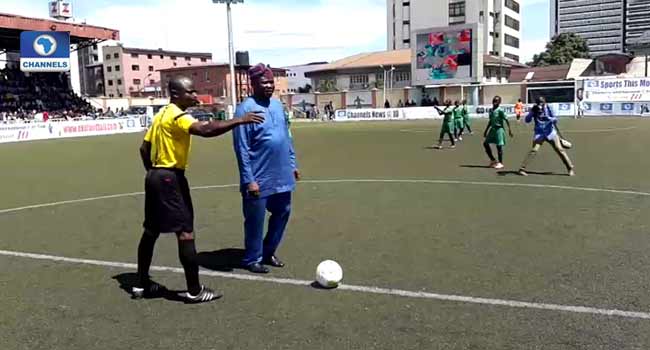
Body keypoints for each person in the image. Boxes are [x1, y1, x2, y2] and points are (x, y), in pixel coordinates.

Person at [135, 76, 264, 303]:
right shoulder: (177, 115)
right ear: (176, 94)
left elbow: (143, 148)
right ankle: (194, 290)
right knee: (185, 232)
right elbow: (205, 129)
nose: (195, 96)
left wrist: (153, 173)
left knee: (151, 231)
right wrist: (239, 120)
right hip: (170, 178)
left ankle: (141, 283)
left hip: (155, 176)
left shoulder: (160, 115)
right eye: (191, 92)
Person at [233, 63, 301, 274]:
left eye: (271, 82)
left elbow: (286, 137)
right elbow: (241, 148)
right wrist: (248, 179)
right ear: (253, 84)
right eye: (264, 82)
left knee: (283, 211)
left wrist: (292, 164)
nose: (269, 85)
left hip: (281, 172)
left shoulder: (278, 106)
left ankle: (268, 251)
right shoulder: (245, 109)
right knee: (255, 219)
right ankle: (252, 258)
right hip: (258, 176)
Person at [518, 97, 575, 177]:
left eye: (542, 103)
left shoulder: (549, 108)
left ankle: (570, 168)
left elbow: (555, 119)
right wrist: (531, 112)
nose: (540, 105)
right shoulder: (534, 109)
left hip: (550, 133)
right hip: (539, 134)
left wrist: (549, 118)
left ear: (544, 102)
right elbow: (527, 120)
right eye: (539, 103)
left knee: (560, 149)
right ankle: (522, 169)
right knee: (534, 150)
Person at [483, 96, 513, 169]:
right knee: (485, 143)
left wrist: (509, 130)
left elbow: (506, 119)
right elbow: (490, 121)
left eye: (496, 101)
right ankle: (493, 160)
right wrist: (486, 130)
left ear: (499, 102)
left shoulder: (500, 110)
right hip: (492, 129)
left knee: (498, 146)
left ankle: (500, 163)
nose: (494, 102)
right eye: (494, 100)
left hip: (499, 129)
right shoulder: (491, 110)